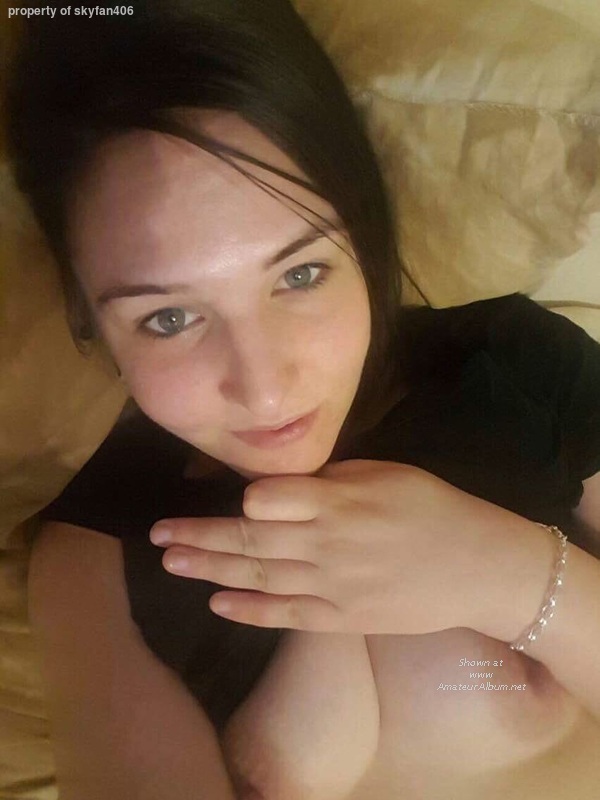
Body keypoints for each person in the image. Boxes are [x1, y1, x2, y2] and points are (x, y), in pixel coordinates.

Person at [7, 1, 600, 798]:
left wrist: (514, 577)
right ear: (90, 323)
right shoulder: (95, 553)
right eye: (169, 318)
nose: (264, 387)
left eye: (300, 273)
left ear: (363, 234)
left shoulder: (516, 365)